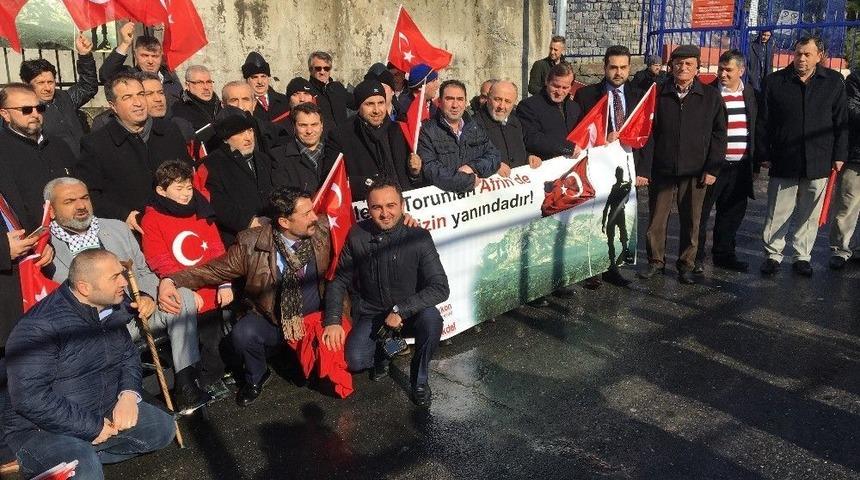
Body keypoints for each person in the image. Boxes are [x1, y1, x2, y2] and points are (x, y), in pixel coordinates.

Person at [158, 188, 351, 406]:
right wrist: (172, 280)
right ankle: (257, 377)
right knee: (243, 334)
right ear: (285, 222)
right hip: (273, 321)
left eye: (312, 211)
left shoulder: (325, 230)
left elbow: (351, 246)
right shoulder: (251, 243)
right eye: (306, 214)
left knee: (342, 366)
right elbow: (215, 270)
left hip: (316, 317)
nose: (314, 217)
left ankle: (297, 359)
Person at [4, 249, 176, 479]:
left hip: (101, 407)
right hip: (42, 428)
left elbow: (127, 355)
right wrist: (91, 427)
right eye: (114, 277)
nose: (124, 282)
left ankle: (77, 459)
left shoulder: (114, 306)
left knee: (162, 429)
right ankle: (57, 461)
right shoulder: (39, 327)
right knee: (86, 470)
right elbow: (30, 397)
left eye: (121, 274)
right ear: (84, 287)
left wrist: (128, 394)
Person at [43, 177, 211, 411]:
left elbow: (142, 270)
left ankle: (186, 383)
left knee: (181, 296)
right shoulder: (44, 250)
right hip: (93, 332)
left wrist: (147, 296)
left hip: (135, 316)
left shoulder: (116, 228)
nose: (81, 206)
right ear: (50, 210)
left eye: (84, 198)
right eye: (69, 201)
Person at [324, 179, 450, 407]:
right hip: (372, 313)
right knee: (356, 360)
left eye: (391, 205)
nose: (385, 213)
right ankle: (384, 353)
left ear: (402, 205)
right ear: (368, 208)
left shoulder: (419, 237)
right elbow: (339, 279)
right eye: (377, 207)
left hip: (410, 312)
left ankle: (420, 380)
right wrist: (332, 319)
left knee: (432, 320)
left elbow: (440, 287)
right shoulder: (357, 235)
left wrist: (401, 310)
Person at [757, 36, 848, 276]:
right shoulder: (775, 82)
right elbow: (763, 122)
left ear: (820, 56)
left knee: (810, 213)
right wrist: (763, 152)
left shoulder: (834, 82)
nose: (802, 59)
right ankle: (773, 254)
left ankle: (802, 255)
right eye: (798, 53)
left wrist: (840, 154)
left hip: (819, 159)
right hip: (784, 158)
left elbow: (841, 122)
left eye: (808, 54)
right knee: (778, 210)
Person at [638, 45, 727, 285]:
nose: (683, 68)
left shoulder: (711, 97)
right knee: (656, 219)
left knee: (692, 220)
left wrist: (712, 168)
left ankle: (685, 264)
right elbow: (649, 134)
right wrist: (644, 170)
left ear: (697, 67)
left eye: (688, 64)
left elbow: (719, 135)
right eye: (678, 63)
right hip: (662, 169)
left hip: (696, 170)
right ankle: (655, 261)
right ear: (671, 66)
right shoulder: (658, 93)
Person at [141, 161, 232, 388]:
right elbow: (159, 259)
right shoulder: (152, 218)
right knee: (195, 341)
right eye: (178, 189)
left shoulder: (200, 209)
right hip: (185, 289)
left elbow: (216, 248)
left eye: (188, 188)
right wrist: (188, 290)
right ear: (161, 191)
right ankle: (200, 383)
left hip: (211, 283)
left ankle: (216, 377)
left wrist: (224, 283)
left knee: (215, 338)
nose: (186, 195)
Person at [574, 45, 653, 287]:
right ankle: (590, 271)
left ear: (629, 68)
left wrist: (643, 171)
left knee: (619, 219)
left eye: (623, 67)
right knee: (592, 217)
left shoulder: (640, 95)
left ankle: (612, 267)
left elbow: (649, 134)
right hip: (598, 167)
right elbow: (580, 132)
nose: (618, 72)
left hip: (627, 170)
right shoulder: (586, 95)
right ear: (604, 67)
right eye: (613, 67)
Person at [76, 72, 192, 233]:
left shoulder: (170, 132)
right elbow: (89, 194)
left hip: (177, 224)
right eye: (127, 97)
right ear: (113, 106)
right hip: (130, 232)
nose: (138, 102)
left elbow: (187, 174)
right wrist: (123, 215)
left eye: (141, 94)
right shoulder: (96, 144)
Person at [0, 182, 53, 471]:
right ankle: (5, 451)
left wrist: (42, 250)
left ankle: (26, 440)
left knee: (17, 374)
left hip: (16, 291)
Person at [695, 50, 758, 274]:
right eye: (720, 69)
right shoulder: (708, 93)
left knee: (731, 214)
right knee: (701, 214)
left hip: (740, 166)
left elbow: (756, 127)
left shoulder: (750, 94)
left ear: (741, 71)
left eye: (728, 70)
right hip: (713, 167)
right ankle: (695, 258)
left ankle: (724, 255)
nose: (722, 74)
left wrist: (756, 163)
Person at [329, 80, 423, 201]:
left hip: (403, 206)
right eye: (369, 104)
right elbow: (333, 180)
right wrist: (367, 183)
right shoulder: (341, 136)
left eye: (381, 103)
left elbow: (412, 178)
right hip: (365, 209)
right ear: (359, 106)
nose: (377, 110)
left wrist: (415, 172)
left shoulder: (398, 130)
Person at [0, 83, 76, 231]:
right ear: (5, 114)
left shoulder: (59, 145)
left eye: (40, 108)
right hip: (34, 240)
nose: (35, 114)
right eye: (26, 110)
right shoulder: (3, 151)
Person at [204, 108, 279, 246]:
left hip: (270, 231)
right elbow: (217, 202)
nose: (248, 137)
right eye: (240, 133)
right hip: (238, 238)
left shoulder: (263, 158)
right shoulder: (213, 163)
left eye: (250, 131)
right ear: (226, 138)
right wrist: (249, 222)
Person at [20, 32, 97, 157]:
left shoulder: (64, 97)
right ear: (26, 84)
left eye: (50, 82)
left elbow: (88, 87)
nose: (47, 88)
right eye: (40, 83)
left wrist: (85, 56)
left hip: (84, 163)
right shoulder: (24, 111)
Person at [418, 80, 501, 192]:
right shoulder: (427, 131)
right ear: (439, 102)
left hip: (475, 204)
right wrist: (466, 181)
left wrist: (472, 167)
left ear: (465, 102)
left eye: (460, 99)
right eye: (449, 99)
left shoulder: (474, 127)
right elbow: (430, 169)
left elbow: (494, 156)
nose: (455, 105)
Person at [91, 72, 195, 141]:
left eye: (160, 92)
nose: (158, 99)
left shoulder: (180, 126)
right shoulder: (104, 126)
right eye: (148, 94)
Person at [98, 22, 183, 104]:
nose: (150, 61)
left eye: (155, 56)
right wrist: (125, 43)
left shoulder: (170, 77)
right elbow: (106, 75)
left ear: (161, 56)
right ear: (135, 55)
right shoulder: (129, 76)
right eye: (145, 56)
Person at [517, 62, 583, 160]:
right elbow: (531, 138)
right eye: (556, 86)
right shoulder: (528, 106)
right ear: (547, 81)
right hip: (545, 167)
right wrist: (567, 147)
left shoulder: (574, 107)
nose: (559, 92)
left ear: (571, 87)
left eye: (565, 88)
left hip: (573, 166)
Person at [474, 80, 542, 173]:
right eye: (497, 99)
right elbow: (468, 158)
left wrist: (529, 157)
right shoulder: (473, 125)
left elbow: (518, 151)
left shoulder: (516, 122)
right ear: (489, 99)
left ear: (514, 103)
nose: (502, 106)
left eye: (507, 101)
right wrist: (492, 165)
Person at [829, 71, 860, 270]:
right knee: (848, 204)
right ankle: (841, 249)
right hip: (857, 153)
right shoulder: (856, 78)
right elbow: (850, 109)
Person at [270, 102, 339, 193]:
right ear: (294, 127)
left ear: (322, 126)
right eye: (303, 125)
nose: (309, 131)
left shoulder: (336, 152)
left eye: (314, 124)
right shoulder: (278, 156)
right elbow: (280, 194)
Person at [219, 81, 292, 155]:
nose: (240, 106)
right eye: (234, 100)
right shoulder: (213, 138)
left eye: (245, 99)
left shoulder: (276, 133)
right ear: (223, 105)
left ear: (254, 104)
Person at [307, 51, 353, 128]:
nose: (322, 72)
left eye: (326, 68)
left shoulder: (337, 87)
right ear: (311, 70)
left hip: (341, 136)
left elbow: (356, 102)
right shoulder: (306, 92)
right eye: (318, 68)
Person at [243, 52, 290, 123]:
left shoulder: (283, 100)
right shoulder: (243, 104)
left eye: (263, 76)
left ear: (268, 78)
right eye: (254, 77)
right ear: (247, 81)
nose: (260, 81)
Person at [172, 65, 222, 131]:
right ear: (187, 85)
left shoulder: (222, 105)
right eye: (200, 83)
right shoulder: (178, 109)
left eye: (209, 82)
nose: (206, 87)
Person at [747, 31, 773, 95]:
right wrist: (750, 75)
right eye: (764, 35)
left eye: (768, 35)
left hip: (764, 77)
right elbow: (746, 62)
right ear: (760, 34)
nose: (765, 37)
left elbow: (770, 64)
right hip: (753, 77)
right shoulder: (751, 46)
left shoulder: (770, 48)